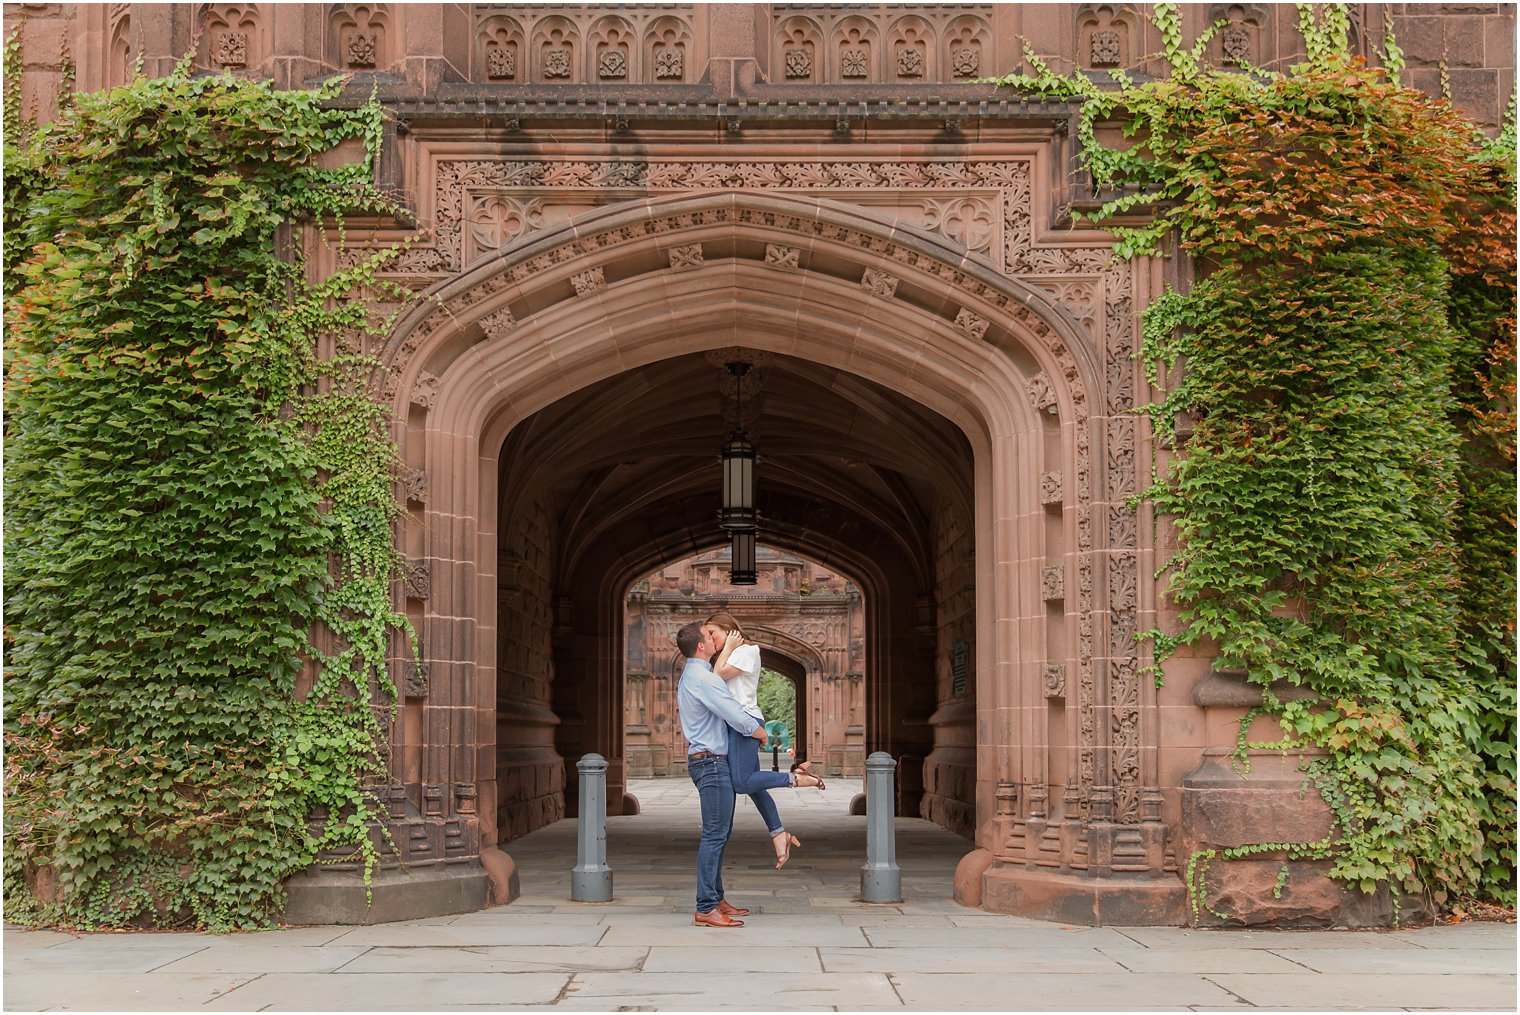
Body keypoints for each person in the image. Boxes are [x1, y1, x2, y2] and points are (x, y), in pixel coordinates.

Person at [704, 612, 825, 870]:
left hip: (744, 722)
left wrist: (728, 647)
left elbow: (717, 676)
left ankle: (797, 778)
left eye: (713, 632)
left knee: (742, 782)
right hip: (736, 723)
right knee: (754, 785)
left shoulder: (747, 650)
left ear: (729, 629)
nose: (710, 639)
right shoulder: (735, 651)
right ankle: (779, 833)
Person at [675, 620, 766, 928]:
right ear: (701, 646)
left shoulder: (694, 674)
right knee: (714, 835)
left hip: (709, 760)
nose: (715, 639)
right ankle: (705, 906)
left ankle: (716, 897)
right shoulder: (704, 679)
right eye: (709, 636)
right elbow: (734, 713)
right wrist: (759, 733)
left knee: (720, 833)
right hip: (712, 762)